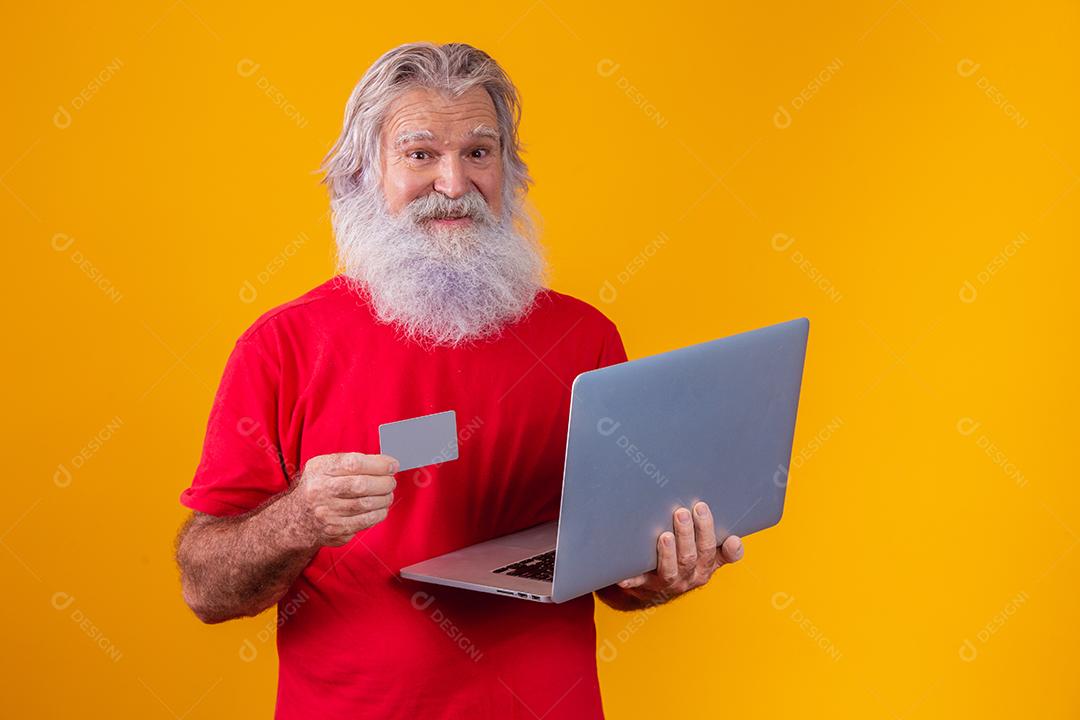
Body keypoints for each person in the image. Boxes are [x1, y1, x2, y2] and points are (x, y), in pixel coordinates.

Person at [175, 41, 744, 719]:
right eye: (420, 154)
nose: (453, 182)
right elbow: (206, 589)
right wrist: (297, 518)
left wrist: (663, 572)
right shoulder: (282, 347)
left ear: (509, 169)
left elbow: (618, 578)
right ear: (363, 173)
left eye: (479, 152)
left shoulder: (584, 338)